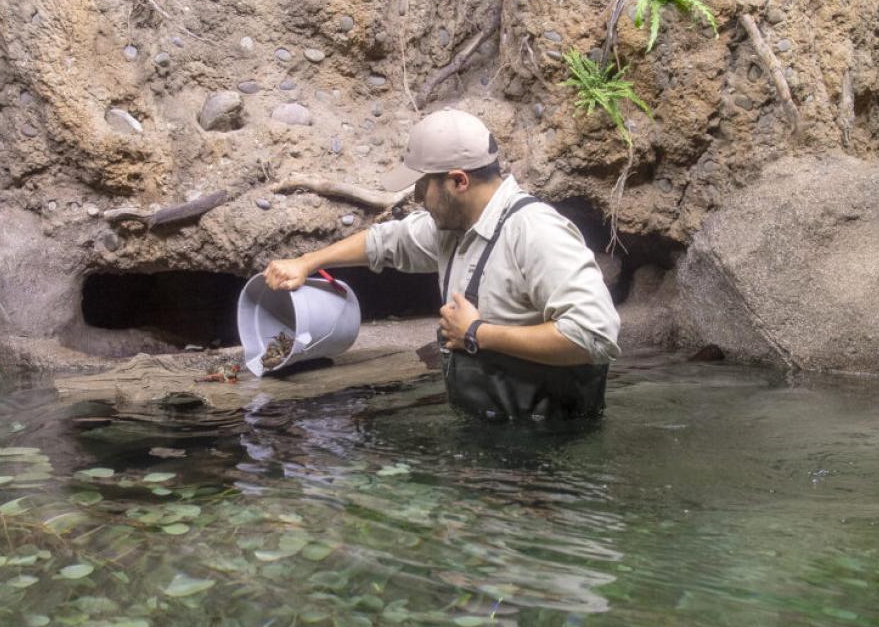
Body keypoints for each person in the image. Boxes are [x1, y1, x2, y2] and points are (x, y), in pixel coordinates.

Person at [264, 107, 620, 420]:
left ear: (458, 181)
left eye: (421, 187)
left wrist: (478, 333)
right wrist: (308, 263)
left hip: (551, 450)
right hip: (491, 436)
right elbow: (387, 241)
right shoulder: (453, 229)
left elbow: (594, 336)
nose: (417, 199)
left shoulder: (534, 232)